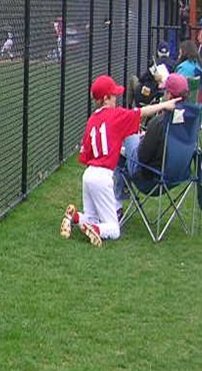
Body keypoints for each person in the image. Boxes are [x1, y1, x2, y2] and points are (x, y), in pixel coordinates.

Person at [59, 74, 182, 246]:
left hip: (88, 174)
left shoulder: (92, 120)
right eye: (114, 95)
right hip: (103, 176)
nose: (116, 97)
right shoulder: (116, 115)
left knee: (91, 215)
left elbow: (85, 154)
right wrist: (165, 105)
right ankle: (95, 229)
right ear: (106, 98)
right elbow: (141, 112)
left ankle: (75, 217)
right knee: (114, 229)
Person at [114, 73, 190, 195]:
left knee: (126, 130)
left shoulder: (160, 122)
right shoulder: (189, 121)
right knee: (125, 151)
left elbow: (142, 157)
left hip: (150, 179)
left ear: (169, 95)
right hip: (176, 177)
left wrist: (142, 140)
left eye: (165, 91)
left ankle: (117, 205)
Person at [130, 40, 175, 107]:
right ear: (168, 52)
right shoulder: (174, 65)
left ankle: (129, 106)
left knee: (133, 79)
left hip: (150, 95)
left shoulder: (154, 64)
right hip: (165, 95)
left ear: (158, 52)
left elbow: (143, 78)